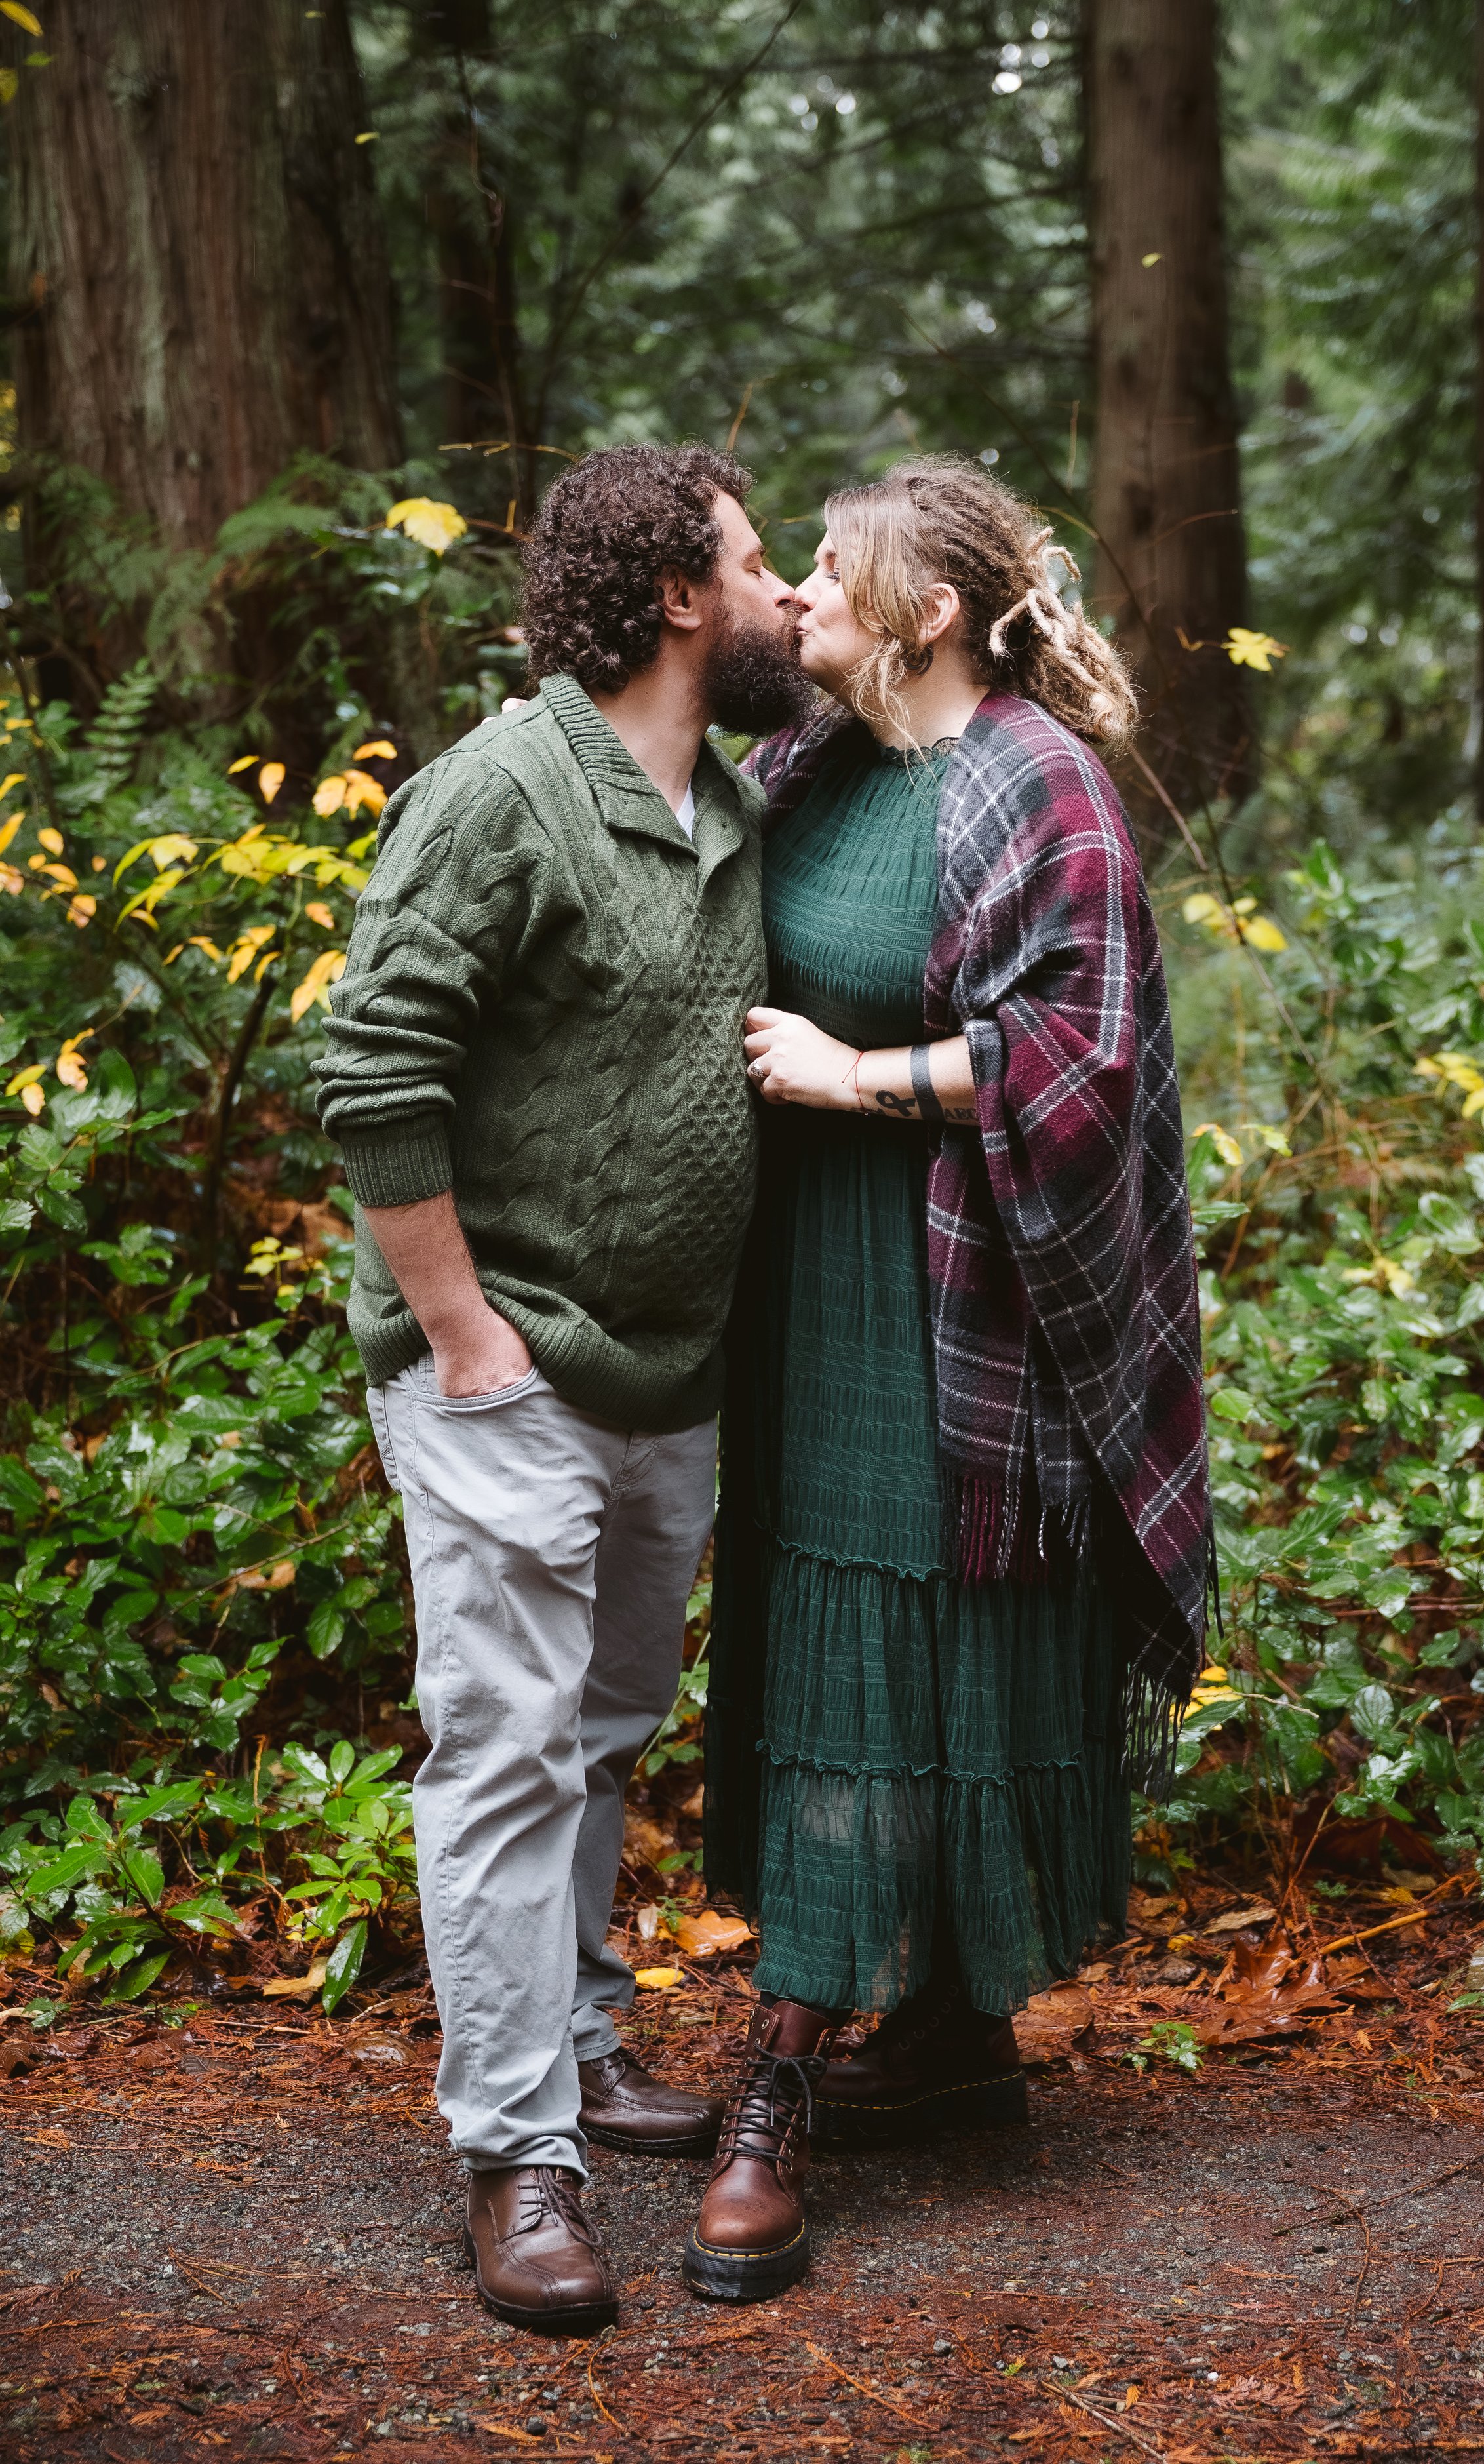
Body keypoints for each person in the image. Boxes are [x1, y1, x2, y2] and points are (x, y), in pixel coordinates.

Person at [685, 456, 1211, 2305]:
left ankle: (783, 2075)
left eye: (828, 574)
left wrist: (861, 1077)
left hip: (963, 1308)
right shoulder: (811, 766)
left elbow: (1078, 1057)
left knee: (895, 1647)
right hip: (808, 1297)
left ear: (922, 616)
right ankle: (949, 2038)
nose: (798, 597)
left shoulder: (1034, 782)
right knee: (821, 1629)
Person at [313, 443, 811, 2334]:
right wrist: (458, 1335)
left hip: (664, 1380)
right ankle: (514, 2153)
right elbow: (374, 1071)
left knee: (600, 1735)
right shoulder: (499, 794)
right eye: (761, 568)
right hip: (502, 1363)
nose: (782, 600)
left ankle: (583, 2047)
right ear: (678, 596)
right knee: (509, 1749)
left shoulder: (736, 811)